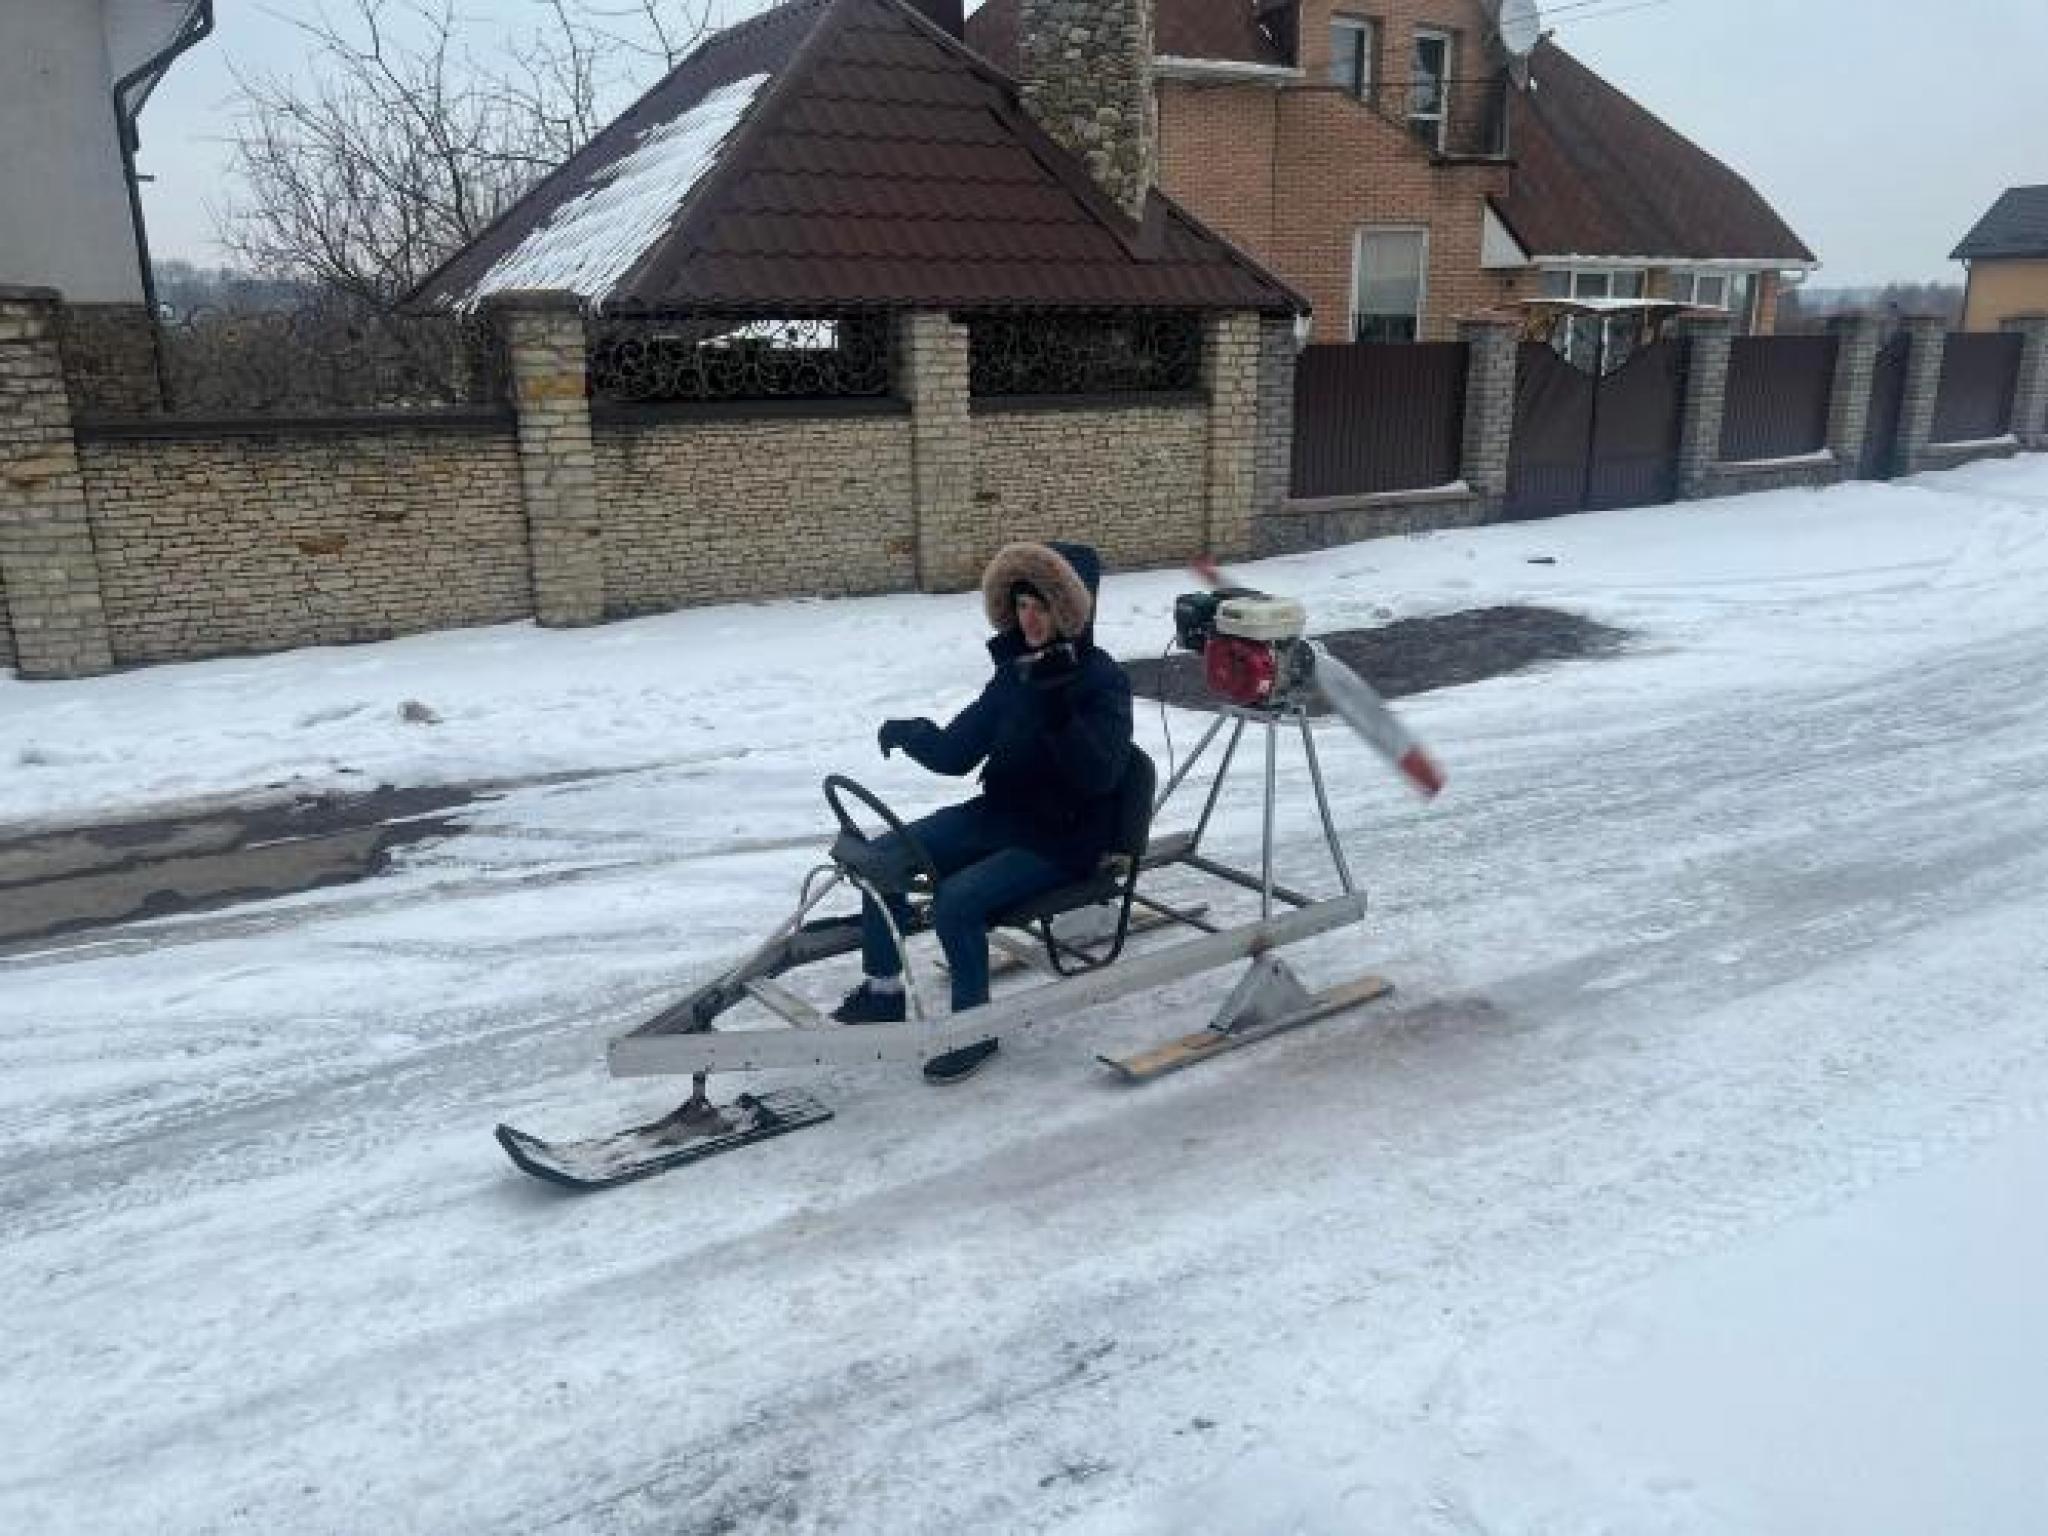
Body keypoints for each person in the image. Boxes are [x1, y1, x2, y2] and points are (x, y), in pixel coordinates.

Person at [833, 539, 1134, 1083]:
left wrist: (1058, 708)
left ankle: (975, 1028)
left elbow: (1100, 777)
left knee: (956, 902)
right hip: (999, 813)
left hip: (1062, 836)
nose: (1031, 619)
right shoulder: (1013, 673)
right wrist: (913, 733)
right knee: (880, 860)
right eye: (1022, 606)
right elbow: (958, 752)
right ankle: (882, 992)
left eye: (1043, 607)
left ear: (1071, 611)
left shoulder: (1102, 681)